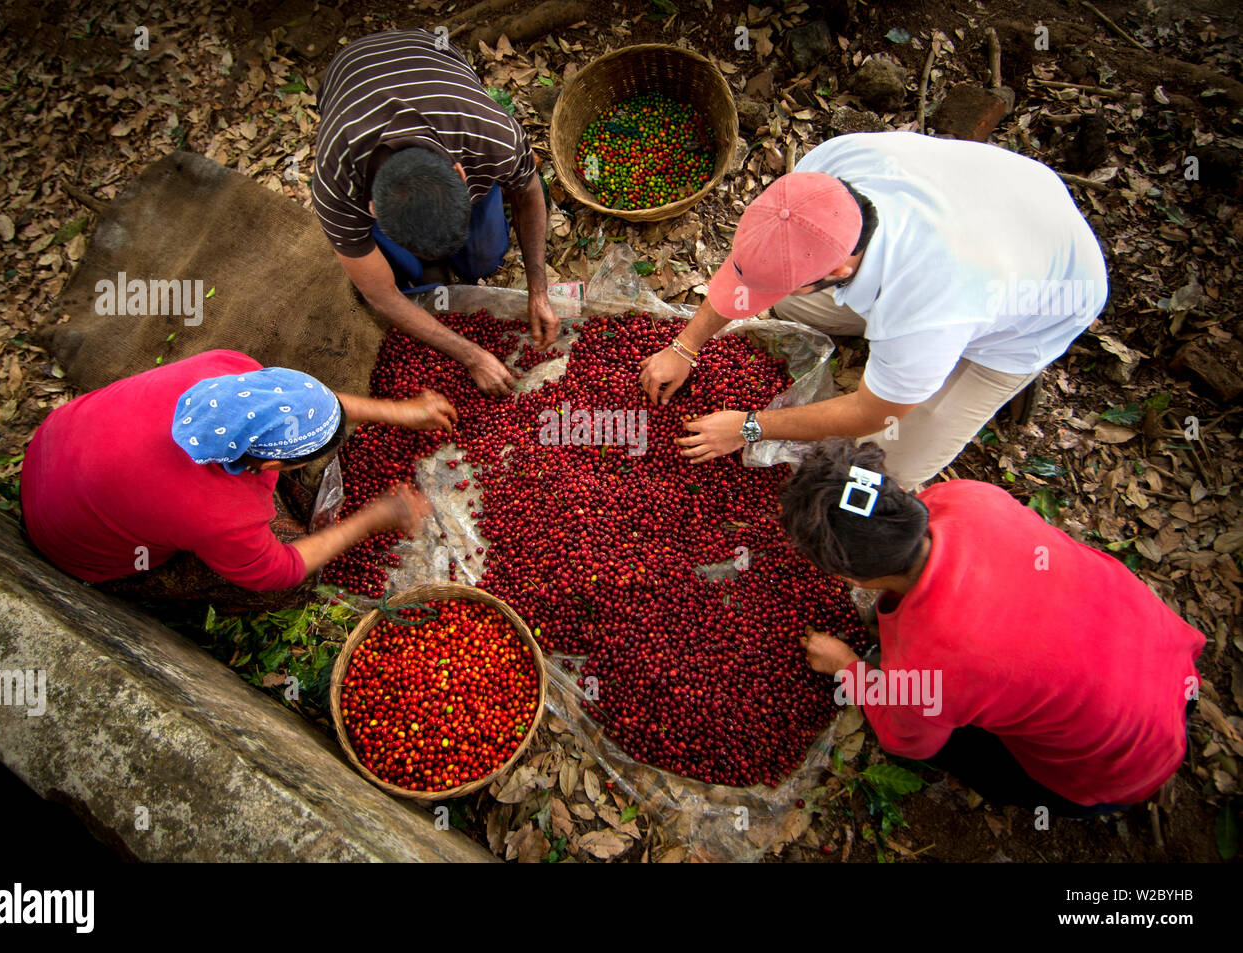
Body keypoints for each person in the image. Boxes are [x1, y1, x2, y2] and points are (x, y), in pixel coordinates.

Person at [640, 131, 1109, 489]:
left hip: (1041, 301)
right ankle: (912, 353)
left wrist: (749, 425)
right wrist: (686, 345)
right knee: (785, 300)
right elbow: (757, 256)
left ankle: (993, 367)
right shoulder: (820, 185)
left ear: (840, 268)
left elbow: (872, 412)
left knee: (888, 465)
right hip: (1003, 207)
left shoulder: (931, 304)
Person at [778, 438, 1204, 817]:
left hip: (1120, 771)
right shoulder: (968, 498)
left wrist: (849, 668)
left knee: (955, 745)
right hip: (1172, 669)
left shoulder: (932, 662)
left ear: (852, 580)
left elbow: (907, 740)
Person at [20, 349, 453, 602]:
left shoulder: (223, 370)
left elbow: (302, 402)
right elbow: (278, 571)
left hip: (55, 445)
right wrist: (374, 518)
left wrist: (401, 412)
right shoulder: (219, 513)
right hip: (72, 543)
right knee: (289, 587)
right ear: (268, 467)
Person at [313, 28, 557, 397]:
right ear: (374, 210)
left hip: (429, 52)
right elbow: (381, 295)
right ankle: (425, 265)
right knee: (403, 274)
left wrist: (538, 291)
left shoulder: (490, 135)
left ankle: (459, 258)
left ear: (461, 173)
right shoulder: (336, 187)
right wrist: (470, 355)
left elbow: (528, 193)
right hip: (348, 74)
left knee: (485, 256)